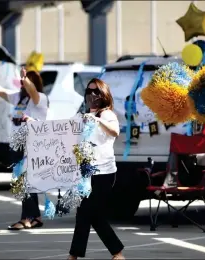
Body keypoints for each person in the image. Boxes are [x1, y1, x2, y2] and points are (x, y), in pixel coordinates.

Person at [0, 66, 48, 230]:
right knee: (24, 181)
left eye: (24, 82)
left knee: (24, 181)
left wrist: (25, 79)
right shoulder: (20, 98)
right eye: (21, 82)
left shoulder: (39, 98)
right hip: (17, 145)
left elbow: (32, 90)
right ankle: (36, 217)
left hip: (32, 145)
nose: (21, 84)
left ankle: (26, 218)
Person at [68, 78, 125, 260]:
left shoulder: (106, 115)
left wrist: (96, 120)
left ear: (104, 95)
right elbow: (61, 131)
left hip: (104, 173)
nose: (92, 95)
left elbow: (115, 131)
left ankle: (75, 256)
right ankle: (116, 253)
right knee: (89, 214)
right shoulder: (82, 116)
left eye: (96, 92)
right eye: (89, 91)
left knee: (87, 213)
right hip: (85, 173)